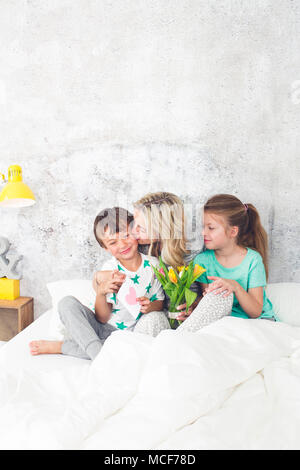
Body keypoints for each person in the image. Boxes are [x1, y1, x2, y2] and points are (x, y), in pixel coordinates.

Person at [29, 207, 169, 360]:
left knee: (131, 349)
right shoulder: (110, 270)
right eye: (113, 242)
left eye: (126, 236)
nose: (122, 245)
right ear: (105, 248)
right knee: (66, 303)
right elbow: (102, 318)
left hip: (130, 335)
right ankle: (99, 356)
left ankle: (65, 346)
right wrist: (101, 293)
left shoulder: (153, 265)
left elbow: (160, 303)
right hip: (100, 329)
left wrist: (150, 306)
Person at [177, 194, 276, 332]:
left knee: (223, 293)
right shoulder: (202, 261)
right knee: (217, 295)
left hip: (257, 323)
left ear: (233, 231)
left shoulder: (253, 260)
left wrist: (234, 286)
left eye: (211, 228)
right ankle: (181, 338)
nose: (203, 232)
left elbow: (255, 312)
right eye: (203, 227)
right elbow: (210, 300)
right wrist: (194, 308)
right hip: (224, 322)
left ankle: (180, 338)